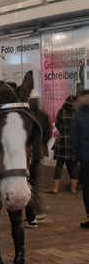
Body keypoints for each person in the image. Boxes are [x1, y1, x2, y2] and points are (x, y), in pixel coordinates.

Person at [25, 92, 53, 226]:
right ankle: (36, 210)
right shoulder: (42, 115)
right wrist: (43, 144)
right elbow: (48, 132)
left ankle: (32, 214)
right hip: (37, 153)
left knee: (29, 183)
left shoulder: (26, 115)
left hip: (29, 155)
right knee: (35, 182)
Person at [46, 95, 79, 194]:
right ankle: (73, 189)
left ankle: (54, 188)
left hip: (62, 142)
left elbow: (57, 125)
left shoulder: (61, 111)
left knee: (59, 165)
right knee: (73, 165)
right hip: (74, 142)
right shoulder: (77, 112)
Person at [71, 90, 89, 228]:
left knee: (87, 188)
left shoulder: (79, 114)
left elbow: (75, 138)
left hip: (85, 157)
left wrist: (76, 155)